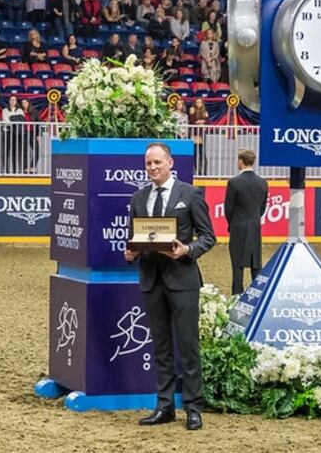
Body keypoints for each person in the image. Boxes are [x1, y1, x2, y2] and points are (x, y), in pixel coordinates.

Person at [124, 142, 215, 431]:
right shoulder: (138, 198)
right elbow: (135, 238)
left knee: (188, 346)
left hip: (183, 281)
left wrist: (188, 249)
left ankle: (193, 408)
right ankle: (164, 407)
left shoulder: (190, 194)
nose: (152, 168)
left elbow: (208, 237)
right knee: (161, 347)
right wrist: (131, 253)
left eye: (157, 162)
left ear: (170, 163)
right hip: (152, 280)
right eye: (148, 163)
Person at [225, 149, 268, 295]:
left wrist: (232, 223)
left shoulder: (234, 182)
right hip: (255, 226)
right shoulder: (262, 183)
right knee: (256, 263)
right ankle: (258, 295)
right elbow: (262, 207)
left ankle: (237, 295)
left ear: (241, 161)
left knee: (237, 265)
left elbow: (228, 208)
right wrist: (255, 218)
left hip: (238, 226)